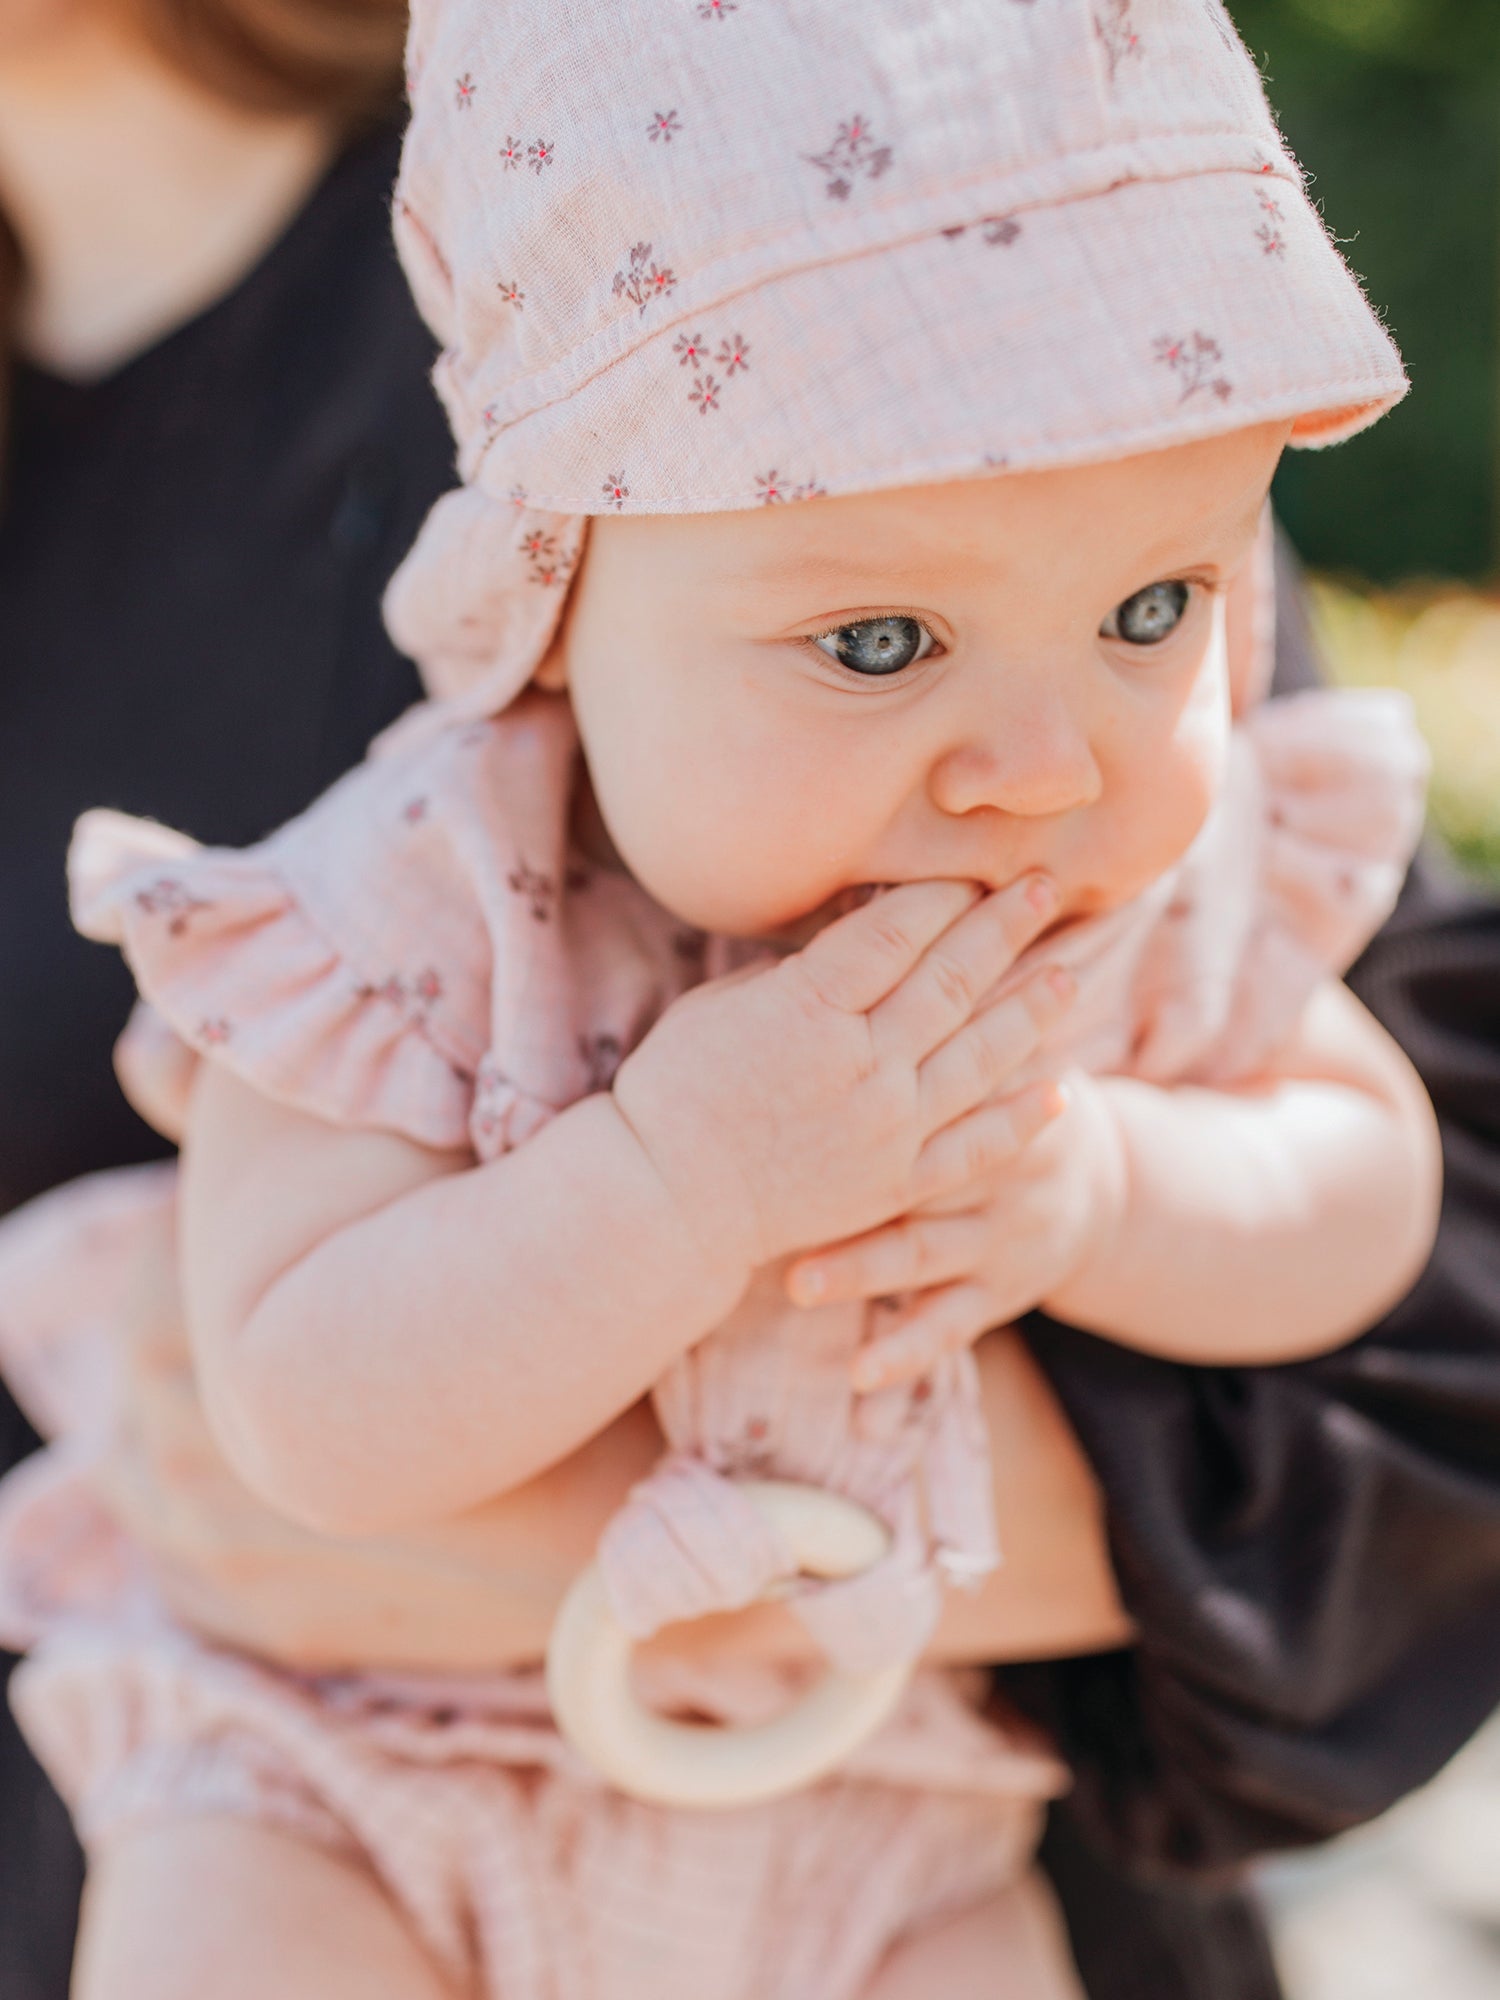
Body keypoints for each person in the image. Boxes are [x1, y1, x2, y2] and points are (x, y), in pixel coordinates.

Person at [0, 2, 1448, 1995]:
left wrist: (1106, 1184)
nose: (1040, 758)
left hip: (880, 1815)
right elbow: (300, 1416)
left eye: (1154, 608)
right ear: (557, 608)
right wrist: (679, 1180)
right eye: (873, 640)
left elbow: (1384, 1209)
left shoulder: (1127, 869)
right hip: (351, 1784)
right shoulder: (417, 904)